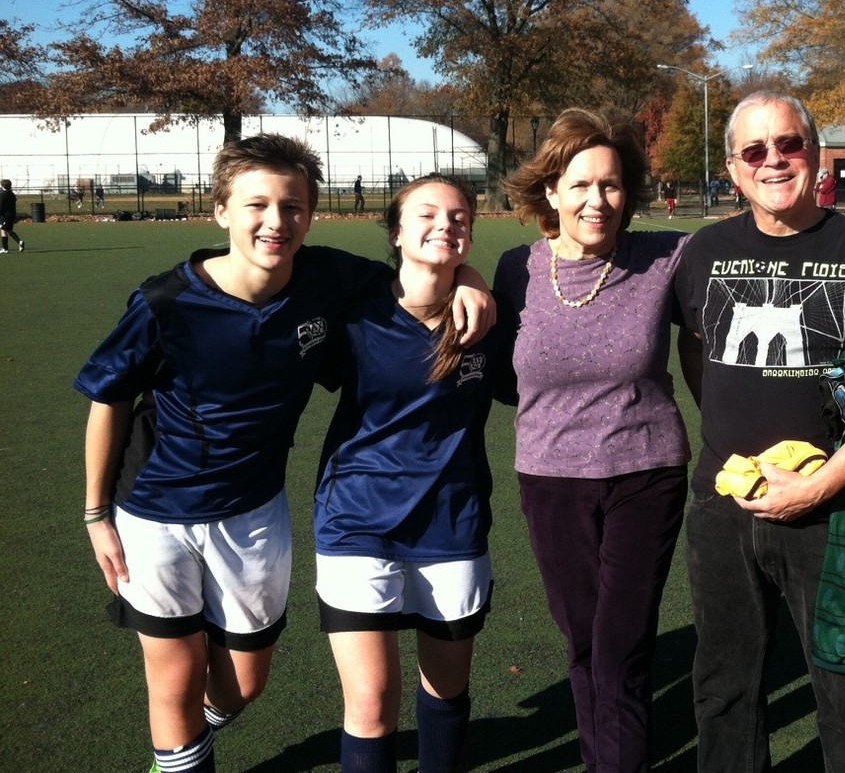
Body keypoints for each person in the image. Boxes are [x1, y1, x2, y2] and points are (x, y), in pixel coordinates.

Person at [74, 135, 494, 773]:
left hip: (253, 511)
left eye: (293, 206)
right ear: (221, 211)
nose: (276, 221)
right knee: (175, 683)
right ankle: (180, 751)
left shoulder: (327, 281)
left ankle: (190, 737)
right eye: (257, 205)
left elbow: (420, 269)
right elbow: (109, 397)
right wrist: (96, 513)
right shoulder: (167, 300)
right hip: (155, 511)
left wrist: (470, 275)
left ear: (311, 213)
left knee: (244, 685)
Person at [674, 90, 845, 773]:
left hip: (838, 511)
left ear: (816, 156)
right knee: (723, 690)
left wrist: (815, 486)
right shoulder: (702, 250)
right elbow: (698, 352)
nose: (773, 161)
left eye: (789, 144)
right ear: (733, 169)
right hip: (722, 505)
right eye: (754, 151)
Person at [494, 110, 692, 773]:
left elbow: (761, 241)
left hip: (645, 473)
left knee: (620, 647)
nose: (595, 201)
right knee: (582, 643)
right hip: (550, 480)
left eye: (610, 186)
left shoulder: (666, 257)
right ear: (550, 192)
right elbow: (494, 373)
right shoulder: (513, 269)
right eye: (579, 185)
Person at [315, 175, 498, 773]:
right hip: (356, 523)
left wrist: (473, 283)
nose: (446, 224)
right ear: (395, 233)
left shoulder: (489, 322)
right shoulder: (352, 309)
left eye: (459, 216)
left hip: (453, 521)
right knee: (370, 707)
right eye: (427, 214)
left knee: (445, 692)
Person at [0, 178, 24, 253]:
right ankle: (19, 242)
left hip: (4, 216)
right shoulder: (12, 194)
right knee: (9, 230)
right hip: (12, 215)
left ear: (2, 186)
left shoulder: (2, 195)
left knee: (3, 230)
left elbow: (1, 206)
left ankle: (5, 249)